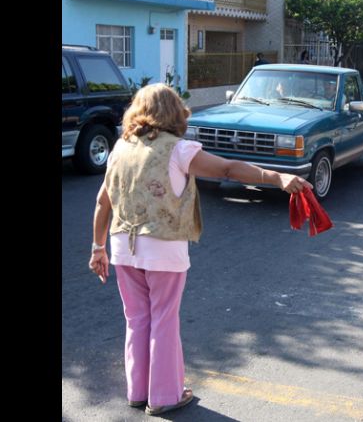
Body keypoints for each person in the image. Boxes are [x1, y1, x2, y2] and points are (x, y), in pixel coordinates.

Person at [88, 84, 310, 416]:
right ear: (175, 113)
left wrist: (97, 247)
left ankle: (138, 391)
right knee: (163, 319)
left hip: (123, 247)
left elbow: (102, 201)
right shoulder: (178, 149)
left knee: (136, 320)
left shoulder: (120, 147)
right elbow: (227, 169)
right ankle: (164, 396)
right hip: (163, 248)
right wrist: (277, 177)